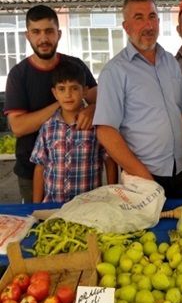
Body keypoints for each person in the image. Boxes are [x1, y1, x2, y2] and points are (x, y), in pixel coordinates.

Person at [94, 0, 182, 198]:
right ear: (126, 26)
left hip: (181, 172)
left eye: (152, 17)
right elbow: (105, 131)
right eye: (139, 18)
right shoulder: (115, 71)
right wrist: (145, 178)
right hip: (144, 178)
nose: (148, 25)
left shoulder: (170, 62)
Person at [4, 5, 98, 203]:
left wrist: (92, 108)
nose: (43, 39)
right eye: (36, 32)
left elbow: (100, 99)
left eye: (49, 31)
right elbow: (18, 127)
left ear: (59, 34)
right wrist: (60, 105)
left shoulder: (76, 66)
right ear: (27, 35)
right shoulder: (18, 75)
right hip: (32, 172)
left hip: (80, 173)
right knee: (38, 226)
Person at [30, 61, 118, 203]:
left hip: (89, 205)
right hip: (53, 206)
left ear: (85, 91)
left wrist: (111, 198)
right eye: (62, 89)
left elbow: (110, 161)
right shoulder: (47, 128)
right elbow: (40, 167)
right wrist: (36, 206)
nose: (68, 95)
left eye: (74, 88)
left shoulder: (96, 126)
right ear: (55, 93)